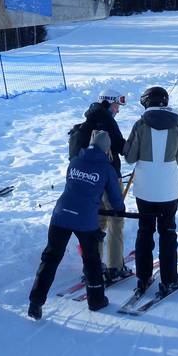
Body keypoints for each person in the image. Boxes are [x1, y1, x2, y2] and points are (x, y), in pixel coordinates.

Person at [28, 131, 124, 319]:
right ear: (107, 150)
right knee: (91, 259)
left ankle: (35, 302)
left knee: (50, 258)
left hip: (60, 215)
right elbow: (115, 199)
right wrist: (119, 209)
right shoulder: (106, 168)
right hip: (85, 219)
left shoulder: (75, 161)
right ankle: (96, 300)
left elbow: (74, 187)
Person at [122, 86, 178, 295]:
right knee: (168, 233)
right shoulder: (176, 126)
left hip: (145, 189)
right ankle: (170, 279)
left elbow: (130, 157)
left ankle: (143, 277)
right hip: (168, 190)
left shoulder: (140, 125)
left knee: (145, 231)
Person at [75, 92, 128, 280]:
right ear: (108, 103)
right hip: (110, 177)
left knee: (97, 220)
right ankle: (115, 266)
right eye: (116, 106)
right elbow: (121, 147)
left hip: (90, 180)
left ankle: (93, 265)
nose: (118, 110)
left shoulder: (88, 119)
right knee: (116, 219)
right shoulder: (107, 121)